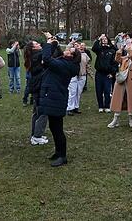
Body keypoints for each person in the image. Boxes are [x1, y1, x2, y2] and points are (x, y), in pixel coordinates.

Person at [38, 33, 81, 167]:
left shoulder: (66, 65)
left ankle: (62, 156)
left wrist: (49, 43)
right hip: (54, 97)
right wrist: (54, 43)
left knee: (57, 129)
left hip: (56, 98)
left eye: (70, 50)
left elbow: (46, 58)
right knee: (53, 126)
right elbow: (50, 57)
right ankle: (58, 152)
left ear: (72, 56)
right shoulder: (64, 62)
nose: (67, 50)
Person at [108, 35, 132, 128]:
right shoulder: (126, 59)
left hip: (131, 82)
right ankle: (116, 119)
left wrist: (130, 48)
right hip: (121, 81)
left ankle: (131, 118)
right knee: (118, 99)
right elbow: (117, 59)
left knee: (130, 100)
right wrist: (119, 51)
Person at [93, 34, 118, 112]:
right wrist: (99, 38)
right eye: (102, 39)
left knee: (107, 91)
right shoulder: (99, 50)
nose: (104, 40)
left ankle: (107, 106)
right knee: (99, 91)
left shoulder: (112, 51)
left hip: (108, 74)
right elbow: (94, 48)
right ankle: (100, 106)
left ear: (108, 40)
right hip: (99, 73)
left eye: (105, 39)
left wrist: (112, 73)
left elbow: (115, 63)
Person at [67, 42, 90, 115]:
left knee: (78, 92)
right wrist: (70, 44)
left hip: (82, 75)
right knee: (72, 92)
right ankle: (70, 108)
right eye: (75, 45)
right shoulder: (71, 55)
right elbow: (67, 50)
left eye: (78, 45)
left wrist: (89, 72)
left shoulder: (84, 54)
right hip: (73, 75)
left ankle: (76, 107)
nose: (78, 47)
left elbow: (87, 64)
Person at [22, 41, 34, 107]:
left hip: (31, 72)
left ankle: (31, 100)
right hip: (30, 73)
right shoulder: (29, 54)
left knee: (33, 86)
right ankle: (25, 100)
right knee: (29, 87)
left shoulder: (28, 53)